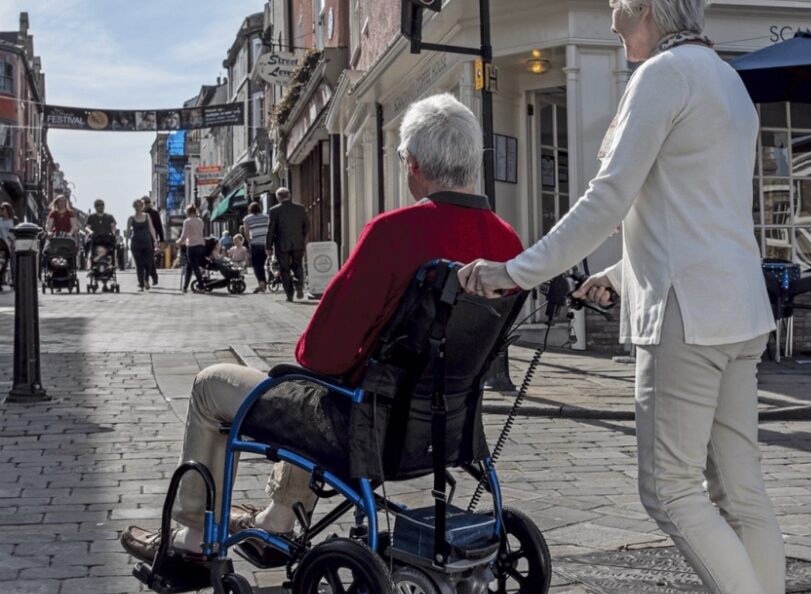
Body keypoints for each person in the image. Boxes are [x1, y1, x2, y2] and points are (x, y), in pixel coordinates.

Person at [457, 2, 784, 594]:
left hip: (687, 313)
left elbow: (609, 199)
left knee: (670, 491)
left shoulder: (662, 77)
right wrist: (622, 270)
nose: (610, 21)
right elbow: (692, 210)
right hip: (739, 307)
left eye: (618, 7)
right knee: (741, 495)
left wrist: (513, 272)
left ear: (648, 9)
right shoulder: (726, 80)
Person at [119, 93, 523, 567]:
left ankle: (190, 536)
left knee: (219, 385)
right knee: (321, 385)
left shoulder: (395, 232)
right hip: (447, 422)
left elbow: (320, 352)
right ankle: (276, 519)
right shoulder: (506, 240)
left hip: (366, 424)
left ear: (412, 163)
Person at [267, 187, 308, 302]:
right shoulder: (300, 209)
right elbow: (306, 225)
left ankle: (289, 295)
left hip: (281, 244)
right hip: (297, 243)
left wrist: (268, 246)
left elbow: (271, 230)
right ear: (289, 196)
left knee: (284, 269)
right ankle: (299, 284)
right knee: (297, 264)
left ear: (278, 198)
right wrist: (302, 237)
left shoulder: (274, 210)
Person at [127, 199, 157, 291]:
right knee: (139, 264)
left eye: (140, 205)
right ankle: (141, 284)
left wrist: (155, 240)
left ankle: (146, 280)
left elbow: (151, 228)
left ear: (143, 206)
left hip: (147, 243)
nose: (138, 207)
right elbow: (128, 232)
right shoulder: (131, 218)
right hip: (136, 244)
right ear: (134, 207)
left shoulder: (147, 216)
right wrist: (126, 243)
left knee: (148, 263)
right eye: (136, 205)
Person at [242, 202, 270, 293]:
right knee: (267, 263)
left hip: (255, 244)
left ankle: (261, 282)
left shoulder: (247, 218)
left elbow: (246, 232)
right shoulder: (266, 217)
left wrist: (249, 241)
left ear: (250, 209)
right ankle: (267, 280)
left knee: (257, 265)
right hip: (266, 243)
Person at [177, 204, 206, 292]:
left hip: (192, 246)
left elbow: (184, 235)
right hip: (201, 245)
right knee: (189, 266)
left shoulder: (187, 221)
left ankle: (201, 286)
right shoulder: (200, 220)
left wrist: (179, 242)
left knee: (194, 267)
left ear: (188, 212)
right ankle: (185, 287)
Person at [84, 199, 118, 268]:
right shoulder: (91, 217)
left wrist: (113, 233)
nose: (100, 206)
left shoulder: (109, 216)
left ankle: (111, 265)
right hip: (95, 237)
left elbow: (113, 226)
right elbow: (87, 227)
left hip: (107, 237)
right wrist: (90, 232)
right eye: (98, 205)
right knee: (88, 244)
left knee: (112, 246)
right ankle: (92, 265)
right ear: (95, 207)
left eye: (102, 204)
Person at [142, 196, 165, 286]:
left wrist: (161, 240)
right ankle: (150, 277)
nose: (146, 204)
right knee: (144, 260)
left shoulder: (155, 213)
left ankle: (150, 278)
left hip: (151, 240)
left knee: (149, 259)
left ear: (150, 203)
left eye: (147, 203)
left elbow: (159, 227)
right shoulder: (140, 214)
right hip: (141, 240)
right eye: (144, 203)